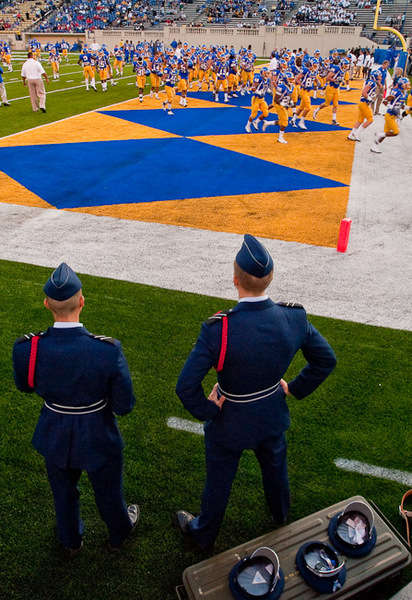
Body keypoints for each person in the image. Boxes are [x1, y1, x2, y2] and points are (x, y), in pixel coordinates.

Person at [174, 235, 337, 551]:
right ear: (270, 279)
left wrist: (209, 410)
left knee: (219, 482)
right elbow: (326, 359)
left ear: (235, 280)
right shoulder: (294, 317)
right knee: (275, 469)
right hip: (272, 413)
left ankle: (203, 534)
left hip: (229, 419)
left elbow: (185, 386)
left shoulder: (218, 328)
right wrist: (295, 387)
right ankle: (280, 515)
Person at [12, 263, 139, 557]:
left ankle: (70, 541)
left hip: (54, 430)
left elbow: (25, 386)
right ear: (82, 301)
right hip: (99, 434)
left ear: (46, 304)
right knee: (109, 492)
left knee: (63, 493)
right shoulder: (107, 350)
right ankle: (118, 534)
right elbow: (125, 404)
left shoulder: (27, 348)